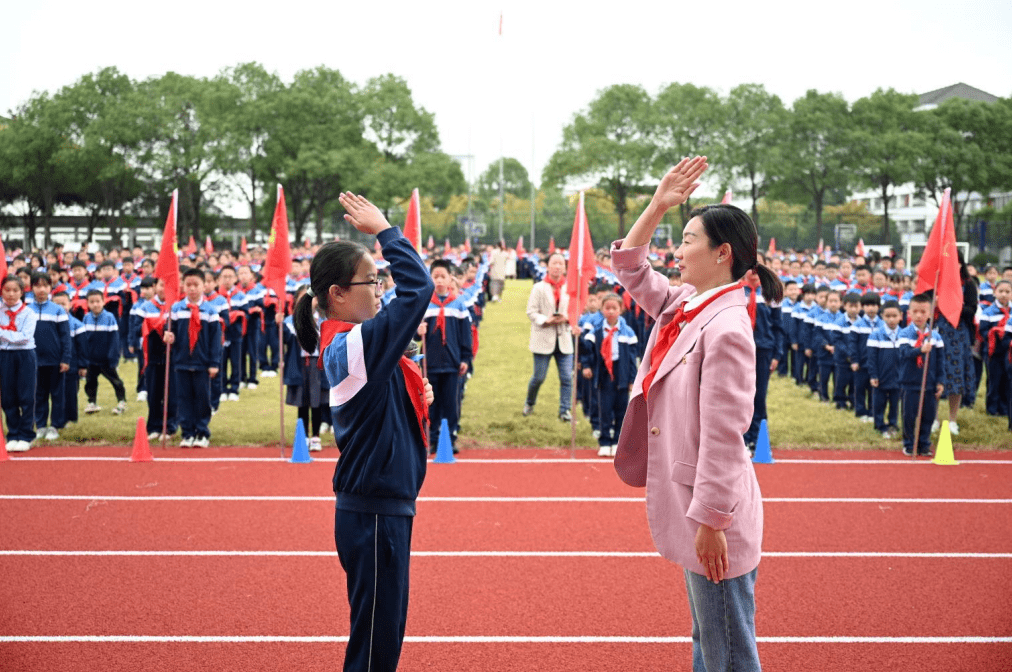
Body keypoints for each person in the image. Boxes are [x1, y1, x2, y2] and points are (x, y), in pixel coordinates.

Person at [611, 156, 778, 672]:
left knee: (727, 652)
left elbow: (727, 435)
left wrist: (712, 519)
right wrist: (659, 203)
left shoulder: (726, 327)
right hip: (696, 507)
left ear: (722, 253)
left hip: (712, 515)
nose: (675, 251)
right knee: (709, 641)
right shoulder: (686, 303)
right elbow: (631, 265)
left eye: (687, 240)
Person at [294, 192, 434, 672]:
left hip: (381, 508)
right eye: (372, 281)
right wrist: (385, 231)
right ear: (337, 293)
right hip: (374, 512)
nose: (381, 290)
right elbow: (419, 288)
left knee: (382, 636)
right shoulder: (353, 343)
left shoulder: (353, 343)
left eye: (381, 280)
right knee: (375, 646)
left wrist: (415, 394)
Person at [419, 259, 472, 454]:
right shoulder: (425, 305)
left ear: (451, 279)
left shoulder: (459, 306)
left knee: (451, 403)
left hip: (452, 363)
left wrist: (466, 358)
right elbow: (416, 336)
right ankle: (432, 438)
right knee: (432, 403)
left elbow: (466, 334)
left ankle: (450, 438)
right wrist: (419, 330)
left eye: (443, 276)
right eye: (435, 277)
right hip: (430, 363)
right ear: (430, 279)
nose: (439, 280)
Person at [166, 268, 222, 448]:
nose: (192, 289)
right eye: (188, 285)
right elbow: (171, 331)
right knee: (183, 399)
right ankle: (187, 433)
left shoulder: (210, 310)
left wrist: (214, 363)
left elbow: (215, 340)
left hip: (202, 363)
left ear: (204, 285)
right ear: (183, 285)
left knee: (202, 399)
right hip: (181, 362)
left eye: (196, 285)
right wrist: (167, 336)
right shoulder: (176, 308)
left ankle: (202, 432)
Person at [523, 252, 580, 421]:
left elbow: (576, 309)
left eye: (560, 264)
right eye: (554, 263)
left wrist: (567, 318)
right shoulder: (539, 287)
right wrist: (545, 320)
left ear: (565, 267)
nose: (557, 267)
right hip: (544, 336)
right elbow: (531, 311)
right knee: (539, 377)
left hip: (563, 336)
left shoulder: (569, 287)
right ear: (547, 266)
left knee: (566, 377)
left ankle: (564, 410)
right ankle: (529, 402)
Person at [580, 293, 637, 457]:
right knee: (604, 409)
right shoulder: (596, 332)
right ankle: (604, 441)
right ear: (602, 309)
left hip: (622, 373)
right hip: (603, 373)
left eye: (614, 308)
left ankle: (617, 442)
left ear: (621, 310)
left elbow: (632, 359)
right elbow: (587, 352)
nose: (611, 311)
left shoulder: (628, 332)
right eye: (607, 308)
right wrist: (586, 366)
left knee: (621, 410)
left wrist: (632, 380)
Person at [898, 294, 945, 457]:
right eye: (915, 311)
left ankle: (924, 443)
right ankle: (909, 444)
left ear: (931, 313)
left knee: (928, 415)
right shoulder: (904, 333)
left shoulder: (935, 336)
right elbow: (904, 353)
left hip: (930, 383)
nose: (919, 315)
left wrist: (940, 380)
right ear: (909, 312)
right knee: (909, 415)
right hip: (910, 382)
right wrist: (920, 350)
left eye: (923, 311)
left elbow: (940, 360)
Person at [282, 285, 328, 451]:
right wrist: (279, 325)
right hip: (299, 365)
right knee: (301, 402)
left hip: (317, 365)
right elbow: (284, 341)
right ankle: (302, 435)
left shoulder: (323, 320)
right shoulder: (290, 321)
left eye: (311, 297)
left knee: (316, 401)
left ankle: (315, 436)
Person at [30, 272, 71, 441]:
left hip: (55, 361)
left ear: (50, 288)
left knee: (57, 394)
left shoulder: (58, 310)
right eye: (37, 286)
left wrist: (65, 359)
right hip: (33, 361)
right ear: (31, 288)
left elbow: (65, 337)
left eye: (45, 286)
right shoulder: (26, 310)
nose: (41, 289)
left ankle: (55, 425)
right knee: (38, 395)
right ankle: (40, 426)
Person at [1, 276, 39, 452]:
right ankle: (13, 433)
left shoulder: (28, 313)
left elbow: (25, 337)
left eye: (15, 290)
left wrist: (1, 333)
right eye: (7, 290)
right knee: (8, 397)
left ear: (22, 292)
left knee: (26, 395)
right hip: (4, 355)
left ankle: (26, 434)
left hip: (25, 355)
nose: (10, 294)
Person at [80, 289, 128, 416]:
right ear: (88, 304)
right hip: (91, 359)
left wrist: (113, 358)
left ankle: (122, 401)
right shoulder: (86, 318)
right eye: (92, 302)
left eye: (98, 301)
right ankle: (92, 402)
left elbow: (114, 340)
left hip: (106, 359)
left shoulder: (109, 317)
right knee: (90, 382)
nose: (95, 304)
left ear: (103, 302)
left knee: (115, 381)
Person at [867, 301, 903, 438]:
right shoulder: (875, 335)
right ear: (882, 316)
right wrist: (873, 375)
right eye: (888, 316)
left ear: (901, 316)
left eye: (894, 316)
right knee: (879, 402)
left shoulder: (904, 334)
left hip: (898, 377)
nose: (891, 319)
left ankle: (893, 423)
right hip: (881, 376)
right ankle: (879, 424)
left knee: (895, 402)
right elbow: (871, 357)